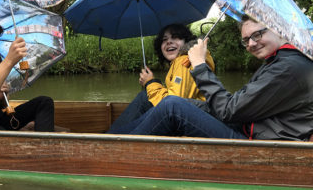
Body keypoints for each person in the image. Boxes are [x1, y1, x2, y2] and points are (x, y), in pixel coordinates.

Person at [116, 15, 313, 141]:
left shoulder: (288, 67)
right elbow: (238, 105)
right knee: (172, 103)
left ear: (278, 29)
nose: (251, 44)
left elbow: (229, 110)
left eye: (258, 34)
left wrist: (200, 65)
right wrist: (194, 105)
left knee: (171, 106)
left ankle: (112, 149)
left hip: (260, 145)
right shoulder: (279, 62)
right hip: (250, 128)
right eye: (246, 40)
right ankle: (110, 139)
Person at [108, 23, 215, 133]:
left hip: (192, 121)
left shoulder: (185, 61)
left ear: (186, 41)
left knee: (144, 98)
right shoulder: (179, 62)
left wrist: (150, 82)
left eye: (175, 37)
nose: (169, 42)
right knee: (145, 97)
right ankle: (113, 137)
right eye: (164, 40)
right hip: (192, 115)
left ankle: (111, 138)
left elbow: (173, 104)